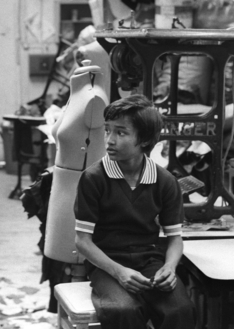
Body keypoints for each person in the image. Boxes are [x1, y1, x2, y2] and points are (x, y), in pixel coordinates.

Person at [74, 94, 195, 329]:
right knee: (123, 310)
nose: (110, 140)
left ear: (145, 140)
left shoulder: (165, 181)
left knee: (180, 310)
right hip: (106, 264)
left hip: (149, 261)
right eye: (107, 130)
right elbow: (82, 242)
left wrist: (169, 267)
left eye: (121, 133)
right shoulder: (93, 179)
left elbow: (175, 239)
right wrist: (119, 272)